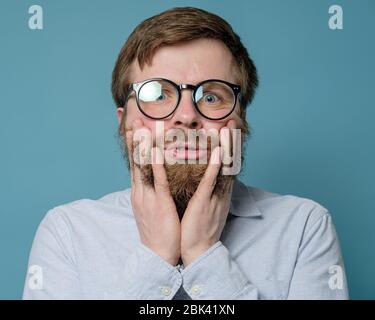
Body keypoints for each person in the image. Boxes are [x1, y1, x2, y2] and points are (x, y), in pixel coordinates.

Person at [23, 7, 349, 300]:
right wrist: (155, 256)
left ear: (240, 120)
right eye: (158, 94)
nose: (186, 115)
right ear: (125, 124)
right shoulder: (68, 232)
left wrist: (203, 253)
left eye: (211, 97)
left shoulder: (303, 226)